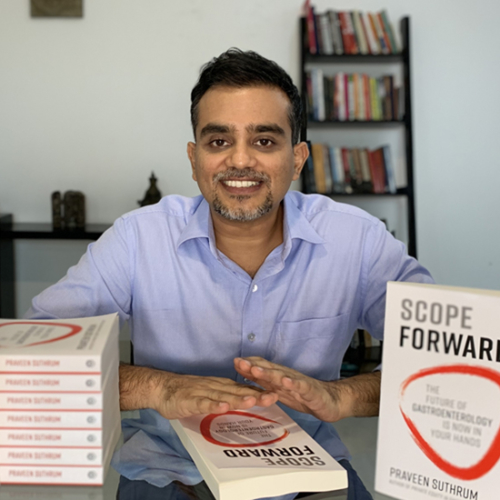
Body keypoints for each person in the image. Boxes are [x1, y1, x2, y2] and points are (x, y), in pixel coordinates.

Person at [27, 49, 434, 500]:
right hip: (170, 472)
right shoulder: (136, 238)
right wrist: (160, 388)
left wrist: (343, 397)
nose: (240, 161)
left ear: (298, 159)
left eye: (264, 141)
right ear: (194, 157)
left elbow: (450, 365)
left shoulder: (357, 240)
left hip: (313, 475)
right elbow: (32, 357)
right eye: (219, 141)